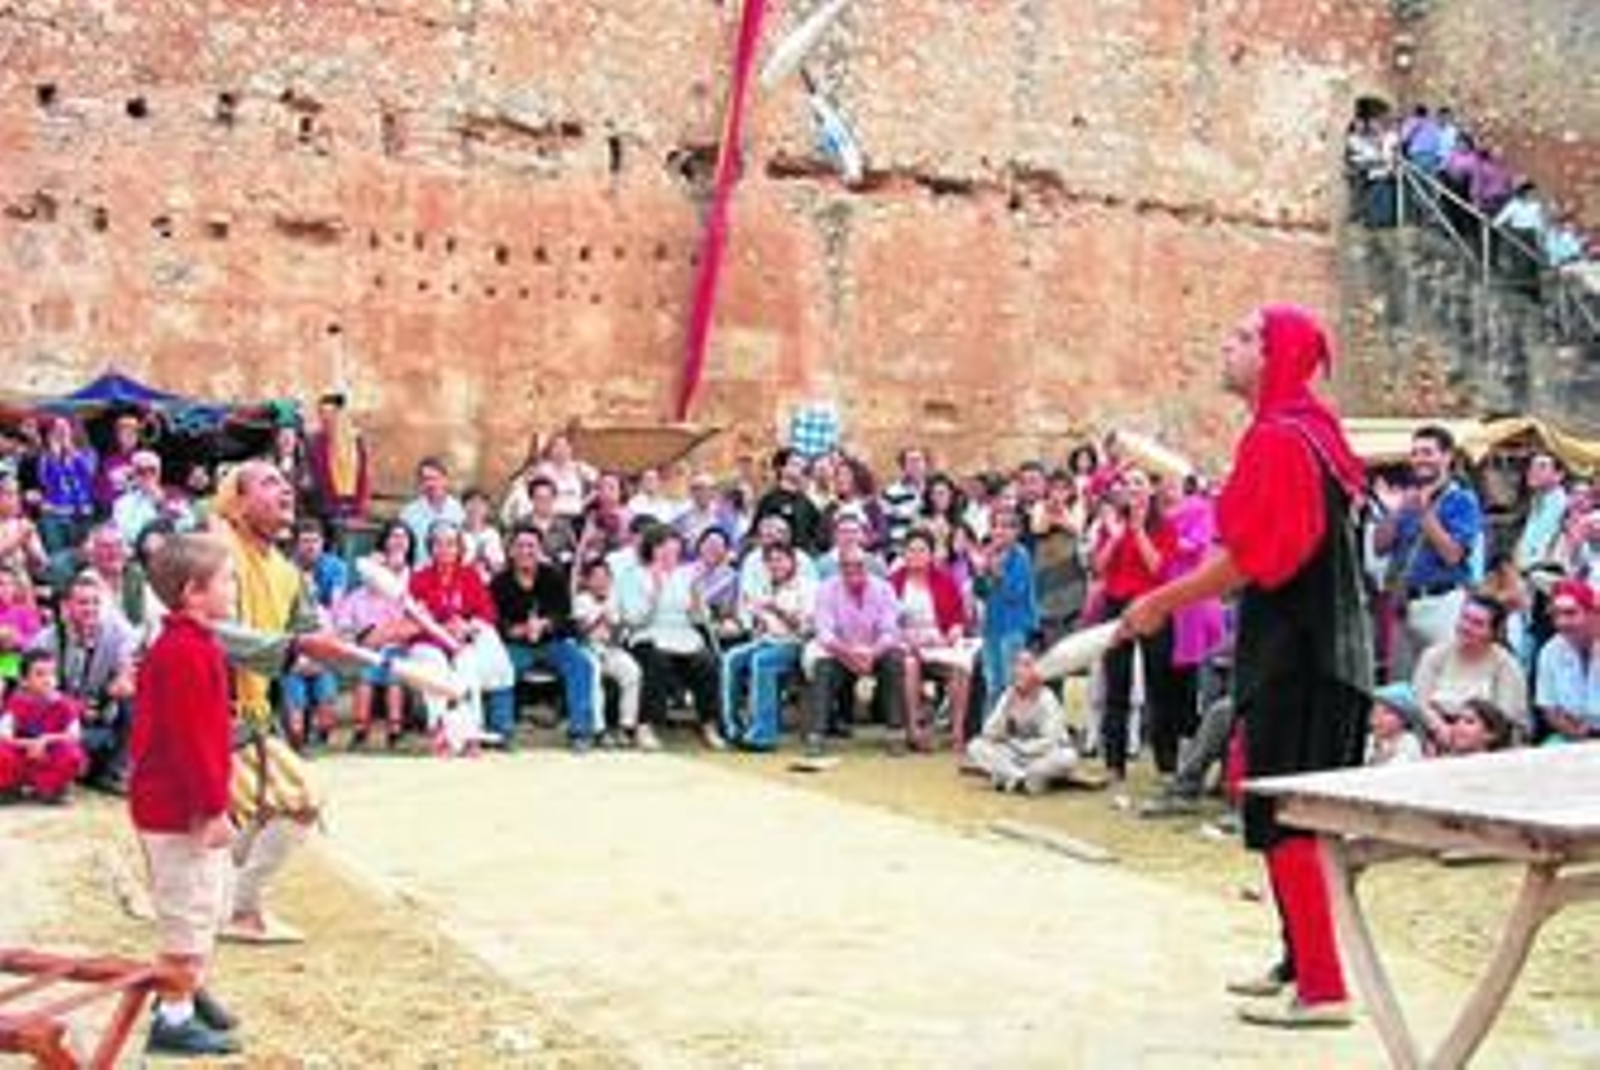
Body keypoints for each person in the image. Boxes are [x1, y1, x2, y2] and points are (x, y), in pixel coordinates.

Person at [1123, 305, 1374, 1029]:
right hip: (1307, 653)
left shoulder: (1282, 439)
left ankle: (1323, 988)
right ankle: (1300, 960)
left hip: (1304, 658)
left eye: (1241, 338)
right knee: (1274, 805)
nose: (1224, 347)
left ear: (1274, 355)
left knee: (1289, 815)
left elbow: (1252, 559)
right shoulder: (1306, 432)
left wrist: (1162, 601)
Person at [208, 461, 346, 946]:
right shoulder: (216, 552)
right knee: (301, 798)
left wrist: (357, 645)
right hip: (209, 711)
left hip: (254, 713)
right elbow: (211, 631)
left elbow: (309, 642)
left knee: (277, 805)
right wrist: (295, 649)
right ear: (238, 500)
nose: (285, 490)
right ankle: (240, 908)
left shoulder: (289, 574)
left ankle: (220, 895)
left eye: (287, 484)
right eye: (269, 483)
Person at [127, 534, 242, 1056]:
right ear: (194, 591)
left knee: (209, 898)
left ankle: (189, 989)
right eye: (227, 580)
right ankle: (173, 1015)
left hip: (185, 801)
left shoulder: (194, 646)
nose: (234, 588)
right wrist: (212, 808)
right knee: (188, 911)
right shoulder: (185, 654)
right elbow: (193, 741)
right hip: (180, 808)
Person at [1373, 426, 1484, 676]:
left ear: (1447, 456)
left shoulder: (1462, 500)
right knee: (1403, 683)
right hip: (1404, 604)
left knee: (1446, 678)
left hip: (1442, 603)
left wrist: (1424, 512)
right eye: (1415, 453)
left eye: (1427, 452)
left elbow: (1452, 555)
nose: (1419, 459)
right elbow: (1379, 547)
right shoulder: (1408, 498)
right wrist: (1395, 511)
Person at [1093, 467, 1177, 783]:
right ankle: (1114, 764)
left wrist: (1139, 531)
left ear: (1150, 490)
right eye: (1127, 483)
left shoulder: (1164, 525)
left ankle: (1166, 764)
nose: (1132, 488)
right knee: (1117, 686)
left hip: (1153, 605)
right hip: (1117, 607)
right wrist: (1116, 536)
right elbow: (1098, 567)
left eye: (1139, 483)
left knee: (1160, 687)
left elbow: (1159, 568)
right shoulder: (1113, 524)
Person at [409, 521, 517, 754]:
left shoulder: (470, 575)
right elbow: (414, 616)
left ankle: (471, 734)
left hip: (462, 640)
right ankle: (440, 733)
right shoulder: (419, 578)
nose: (445, 549)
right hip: (429, 640)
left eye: (451, 544)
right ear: (430, 548)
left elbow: (487, 611)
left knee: (467, 667)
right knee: (434, 670)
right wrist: (441, 627)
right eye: (438, 544)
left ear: (459, 548)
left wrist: (468, 626)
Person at [491, 525, 600, 750]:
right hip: (516, 645)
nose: (525, 551)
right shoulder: (499, 583)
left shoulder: (553, 577)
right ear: (511, 551)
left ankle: (580, 731)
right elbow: (493, 621)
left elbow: (566, 617)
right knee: (500, 668)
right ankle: (502, 730)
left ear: (539, 550)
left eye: (531, 546)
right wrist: (517, 630)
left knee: (581, 664)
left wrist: (545, 624)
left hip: (552, 643)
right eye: (520, 546)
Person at [617, 527, 726, 750]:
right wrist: (655, 592)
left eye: (675, 550)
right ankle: (645, 725)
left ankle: (709, 724)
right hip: (648, 633)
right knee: (656, 661)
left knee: (707, 663)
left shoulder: (685, 576)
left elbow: (699, 619)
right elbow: (634, 620)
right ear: (653, 549)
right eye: (665, 549)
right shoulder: (633, 576)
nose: (670, 555)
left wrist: (696, 597)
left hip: (683, 634)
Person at [32, 572, 139, 792]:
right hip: (59, 724)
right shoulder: (44, 641)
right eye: (82, 603)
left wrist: (124, 679)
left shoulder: (119, 632)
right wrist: (73, 707)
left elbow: (131, 665)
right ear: (65, 607)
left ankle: (116, 771)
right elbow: (30, 694)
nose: (90, 609)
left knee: (135, 698)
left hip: (103, 721)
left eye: (95, 602)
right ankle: (81, 768)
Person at [803, 546, 906, 756]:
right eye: (846, 565)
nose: (852, 569)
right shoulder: (826, 589)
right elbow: (825, 634)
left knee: (894, 660)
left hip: (875, 649)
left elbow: (890, 631)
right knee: (823, 667)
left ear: (867, 566)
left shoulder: (884, 589)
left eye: (858, 565)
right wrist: (849, 655)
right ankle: (817, 734)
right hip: (841, 650)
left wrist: (872, 653)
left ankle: (895, 732)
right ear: (839, 568)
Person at [722, 541, 815, 749]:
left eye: (780, 560)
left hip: (796, 644)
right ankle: (732, 727)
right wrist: (757, 619)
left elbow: (805, 629)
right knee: (731, 658)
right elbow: (757, 623)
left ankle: (763, 735)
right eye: (770, 561)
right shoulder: (765, 586)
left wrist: (776, 609)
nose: (775, 565)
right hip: (768, 640)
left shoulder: (807, 587)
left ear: (792, 561)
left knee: (761, 661)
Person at [890, 528, 976, 750]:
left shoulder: (944, 580)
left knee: (961, 667)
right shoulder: (893, 582)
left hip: (938, 642)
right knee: (910, 664)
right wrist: (908, 640)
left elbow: (958, 618)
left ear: (930, 554)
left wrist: (954, 631)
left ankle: (957, 731)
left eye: (922, 550)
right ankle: (914, 731)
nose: (916, 555)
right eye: (911, 550)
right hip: (905, 643)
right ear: (903, 554)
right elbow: (885, 623)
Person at [1411, 594, 1529, 749]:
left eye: (1477, 624)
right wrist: (1441, 728)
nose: (1466, 627)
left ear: (1492, 632)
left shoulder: (1506, 665)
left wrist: (1467, 737)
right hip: (1437, 737)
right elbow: (1420, 702)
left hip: (1488, 743)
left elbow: (1505, 717)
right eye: (1464, 618)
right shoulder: (1434, 655)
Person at [965, 648, 1083, 795]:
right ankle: (1021, 778)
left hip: (1041, 756)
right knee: (975, 746)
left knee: (1068, 757)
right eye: (1017, 664)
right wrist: (1006, 711)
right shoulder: (1008, 695)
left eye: (1026, 665)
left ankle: (1010, 776)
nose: (1019, 670)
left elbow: (1050, 741)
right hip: (1014, 755)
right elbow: (988, 732)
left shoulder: (1047, 699)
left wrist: (1021, 748)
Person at [571, 557, 648, 748]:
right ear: (587, 580)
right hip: (586, 649)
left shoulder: (615, 600)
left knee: (632, 671)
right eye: (596, 577)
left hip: (610, 649)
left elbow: (617, 639)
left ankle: (626, 727)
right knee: (593, 672)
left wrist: (616, 626)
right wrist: (599, 619)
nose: (601, 582)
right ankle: (599, 729)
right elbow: (580, 634)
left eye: (605, 577)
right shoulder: (581, 600)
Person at [0, 650, 87, 803]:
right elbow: (3, 734)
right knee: (3, 751)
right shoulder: (17, 701)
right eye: (40, 674)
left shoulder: (65, 704)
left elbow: (75, 735)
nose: (48, 680)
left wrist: (46, 740)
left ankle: (51, 788)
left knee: (72, 754)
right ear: (24, 681)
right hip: (23, 755)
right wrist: (28, 744)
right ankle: (10, 787)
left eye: (52, 674)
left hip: (48, 756)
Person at [1533, 579, 1599, 743]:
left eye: (1571, 613)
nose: (1562, 622)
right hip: (1573, 736)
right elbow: (1549, 708)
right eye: (1556, 615)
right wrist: (1577, 735)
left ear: (1592, 614)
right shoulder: (1550, 651)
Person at [305, 392, 371, 525]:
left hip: (352, 510)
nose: (325, 418)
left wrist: (360, 510)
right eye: (322, 413)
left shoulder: (356, 441)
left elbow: (364, 478)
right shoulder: (315, 442)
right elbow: (314, 476)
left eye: (330, 413)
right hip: (325, 511)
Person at [754, 448, 824, 555]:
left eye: (802, 466)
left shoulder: (808, 504)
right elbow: (756, 531)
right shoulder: (769, 500)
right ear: (781, 468)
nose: (799, 469)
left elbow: (818, 536)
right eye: (794, 464)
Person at [398, 457, 465, 565]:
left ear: (445, 480)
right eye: (425, 479)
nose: (430, 484)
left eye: (435, 478)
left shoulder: (459, 510)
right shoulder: (409, 513)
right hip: (419, 570)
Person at [1364, 682, 1425, 766]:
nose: (1378, 719)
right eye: (1375, 713)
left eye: (1386, 712)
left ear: (1402, 719)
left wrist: (1386, 754)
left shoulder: (1409, 742)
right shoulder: (1372, 740)